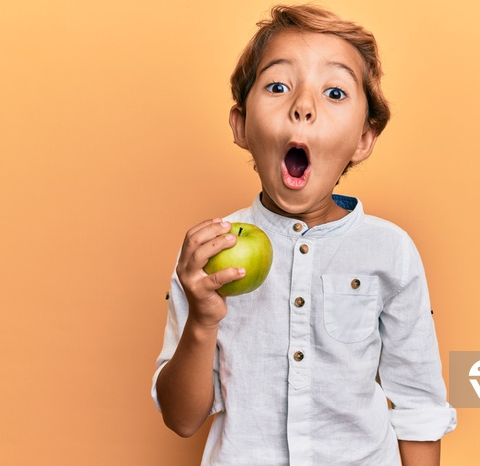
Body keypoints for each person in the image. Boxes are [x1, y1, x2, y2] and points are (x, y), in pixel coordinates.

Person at [152, 4, 456, 465]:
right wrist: (202, 320)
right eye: (278, 86)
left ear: (363, 140)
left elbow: (418, 404)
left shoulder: (390, 251)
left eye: (335, 92)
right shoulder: (208, 253)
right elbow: (182, 419)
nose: (303, 105)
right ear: (241, 125)